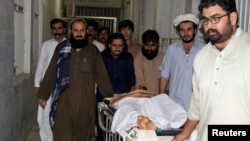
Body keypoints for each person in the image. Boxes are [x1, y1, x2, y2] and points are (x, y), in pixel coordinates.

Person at [173, 0, 250, 141]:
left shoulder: (247, 49)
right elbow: (196, 104)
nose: (209, 26)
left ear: (233, 18)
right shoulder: (201, 57)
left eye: (215, 19)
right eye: (206, 20)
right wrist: (184, 134)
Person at [37, 18, 114, 141]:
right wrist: (43, 94)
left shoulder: (93, 51)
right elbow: (51, 71)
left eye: (82, 30)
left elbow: (102, 76)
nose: (79, 34)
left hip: (86, 102)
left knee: (82, 136)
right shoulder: (61, 48)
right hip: (64, 100)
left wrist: (110, 98)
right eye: (76, 30)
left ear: (86, 31)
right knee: (63, 134)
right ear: (70, 31)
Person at [159, 13, 205, 111]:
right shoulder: (171, 50)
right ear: (179, 32)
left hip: (197, 105)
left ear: (195, 30)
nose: (186, 33)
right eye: (182, 30)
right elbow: (164, 75)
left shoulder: (204, 49)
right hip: (174, 103)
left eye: (189, 29)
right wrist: (161, 99)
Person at [95, 32, 135, 140]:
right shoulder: (101, 57)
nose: (117, 48)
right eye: (114, 45)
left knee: (121, 130)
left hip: (123, 99)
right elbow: (99, 79)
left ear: (123, 46)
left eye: (120, 46)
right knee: (103, 129)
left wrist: (128, 95)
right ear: (109, 45)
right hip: (104, 98)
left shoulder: (128, 58)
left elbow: (131, 78)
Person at [34, 18, 66, 141]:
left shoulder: (70, 45)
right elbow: (41, 65)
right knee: (42, 117)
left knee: (59, 118)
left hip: (62, 88)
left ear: (64, 29)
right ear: (51, 30)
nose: (57, 31)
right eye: (54, 28)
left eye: (59, 28)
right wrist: (37, 84)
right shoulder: (46, 45)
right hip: (47, 87)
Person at [134, 29, 164, 94]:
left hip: (162, 98)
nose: (149, 48)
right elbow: (140, 84)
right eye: (146, 45)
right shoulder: (138, 60)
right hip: (144, 98)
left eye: (152, 45)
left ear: (158, 44)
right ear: (142, 44)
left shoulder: (164, 58)